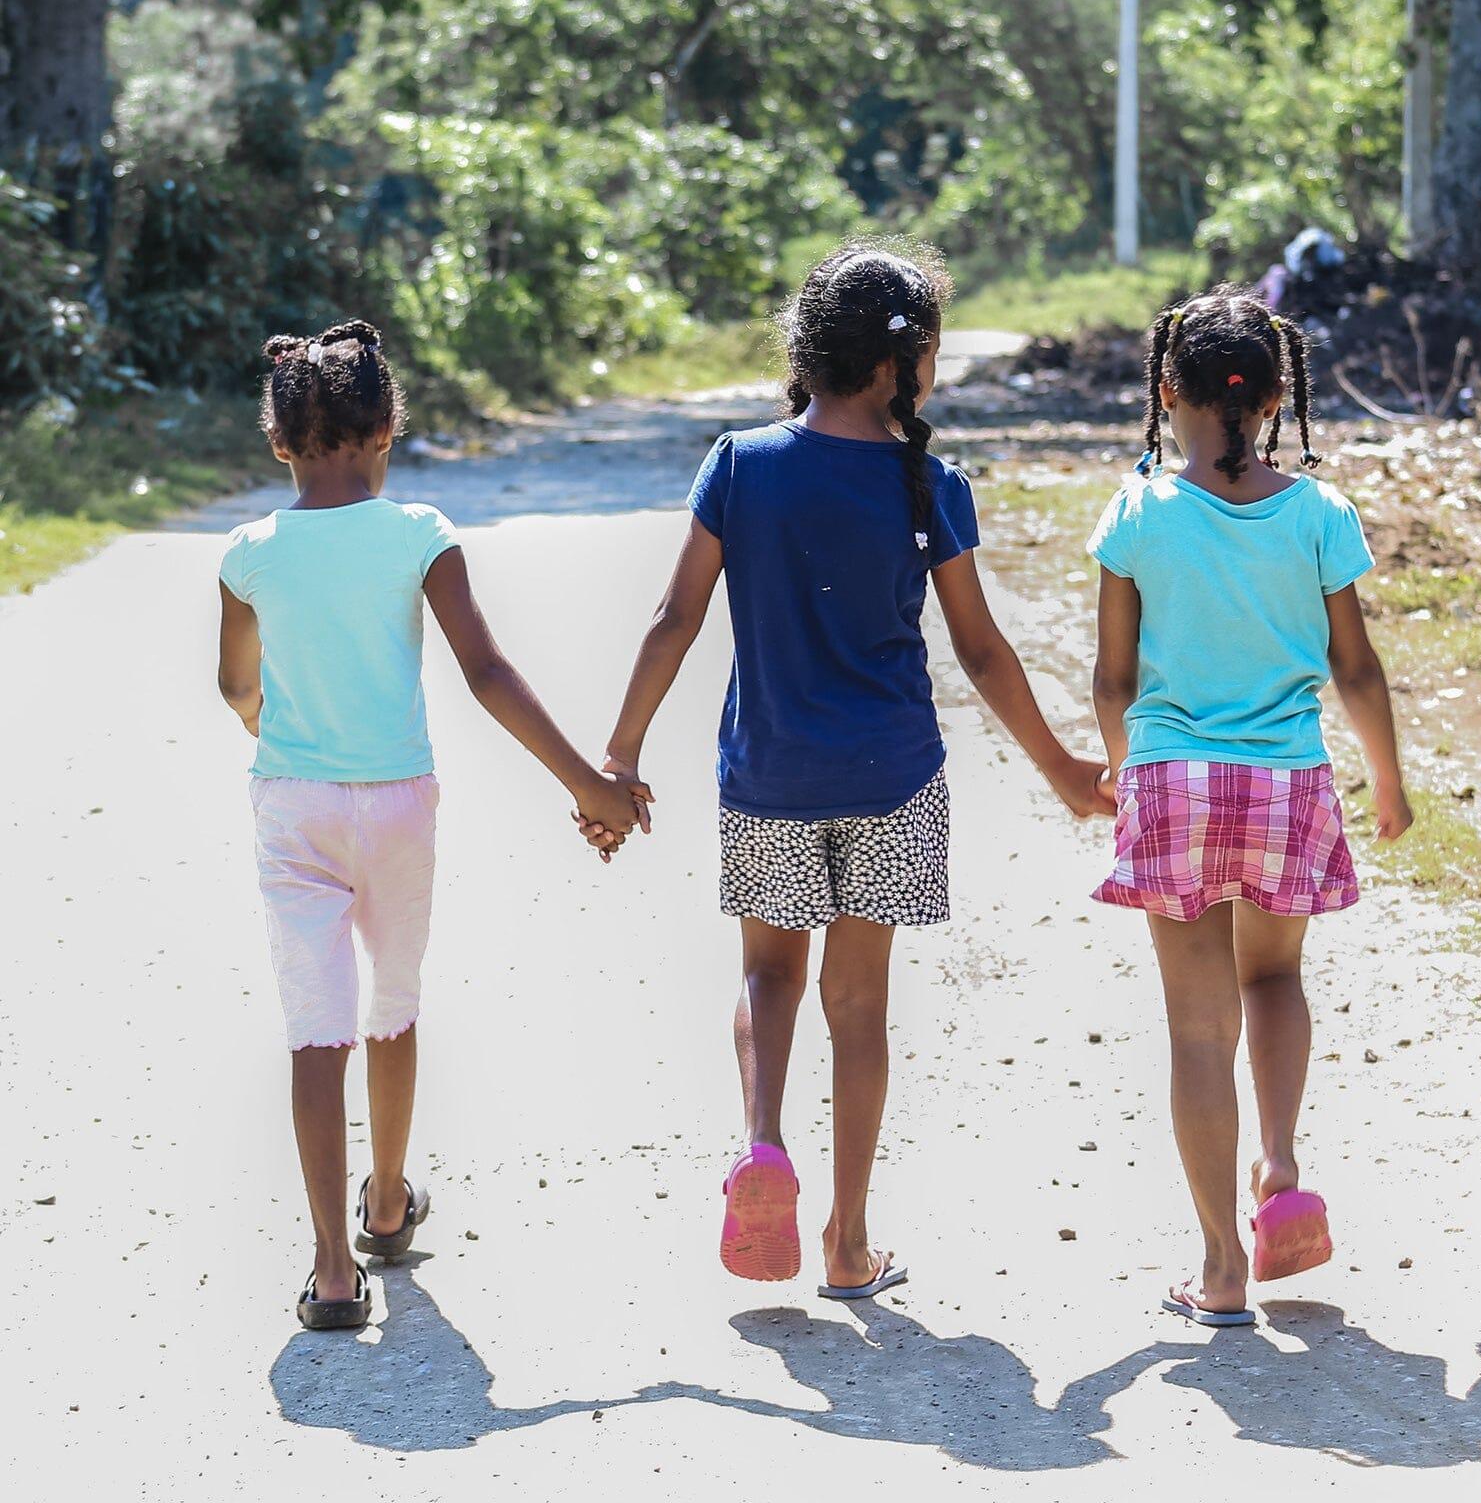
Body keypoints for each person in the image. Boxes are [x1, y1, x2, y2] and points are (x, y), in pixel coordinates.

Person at [594, 243, 1110, 1300]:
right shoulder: (931, 480)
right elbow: (978, 650)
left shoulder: (739, 463)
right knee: (859, 1006)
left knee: (766, 975)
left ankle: (760, 1143)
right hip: (894, 779)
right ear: (904, 362)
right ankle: (847, 1241)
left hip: (770, 773)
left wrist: (620, 750)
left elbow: (674, 615)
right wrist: (1059, 764)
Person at [217, 320, 641, 1329]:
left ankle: (329, 1269)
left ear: (277, 441)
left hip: (294, 806)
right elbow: (486, 672)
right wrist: (589, 784)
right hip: (399, 801)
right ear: (387, 429)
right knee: (393, 1000)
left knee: (313, 1028)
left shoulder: (246, 554)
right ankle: (390, 1199)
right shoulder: (420, 534)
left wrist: (277, 730)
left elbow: (236, 685)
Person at [1088, 285, 1412, 1328]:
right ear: (1278, 397)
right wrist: (1389, 782)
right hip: (1285, 779)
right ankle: (1280, 1166)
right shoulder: (1319, 513)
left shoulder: (1137, 509)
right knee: (1273, 977)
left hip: (1174, 777)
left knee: (1195, 1028)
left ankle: (1222, 1267)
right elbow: (1356, 671)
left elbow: (1111, 678)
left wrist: (1117, 766)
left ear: (1166, 394)